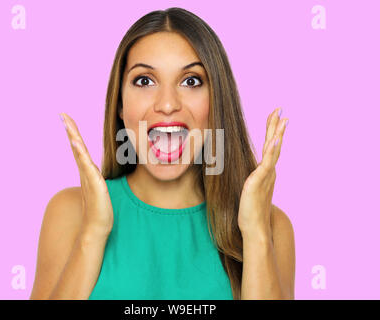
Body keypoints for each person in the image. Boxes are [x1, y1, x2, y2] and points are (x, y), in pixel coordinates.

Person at [30, 7, 295, 300]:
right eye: (144, 81)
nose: (167, 104)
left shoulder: (271, 226)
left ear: (217, 102)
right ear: (120, 105)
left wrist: (256, 233)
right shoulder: (70, 212)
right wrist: (92, 234)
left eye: (191, 81)